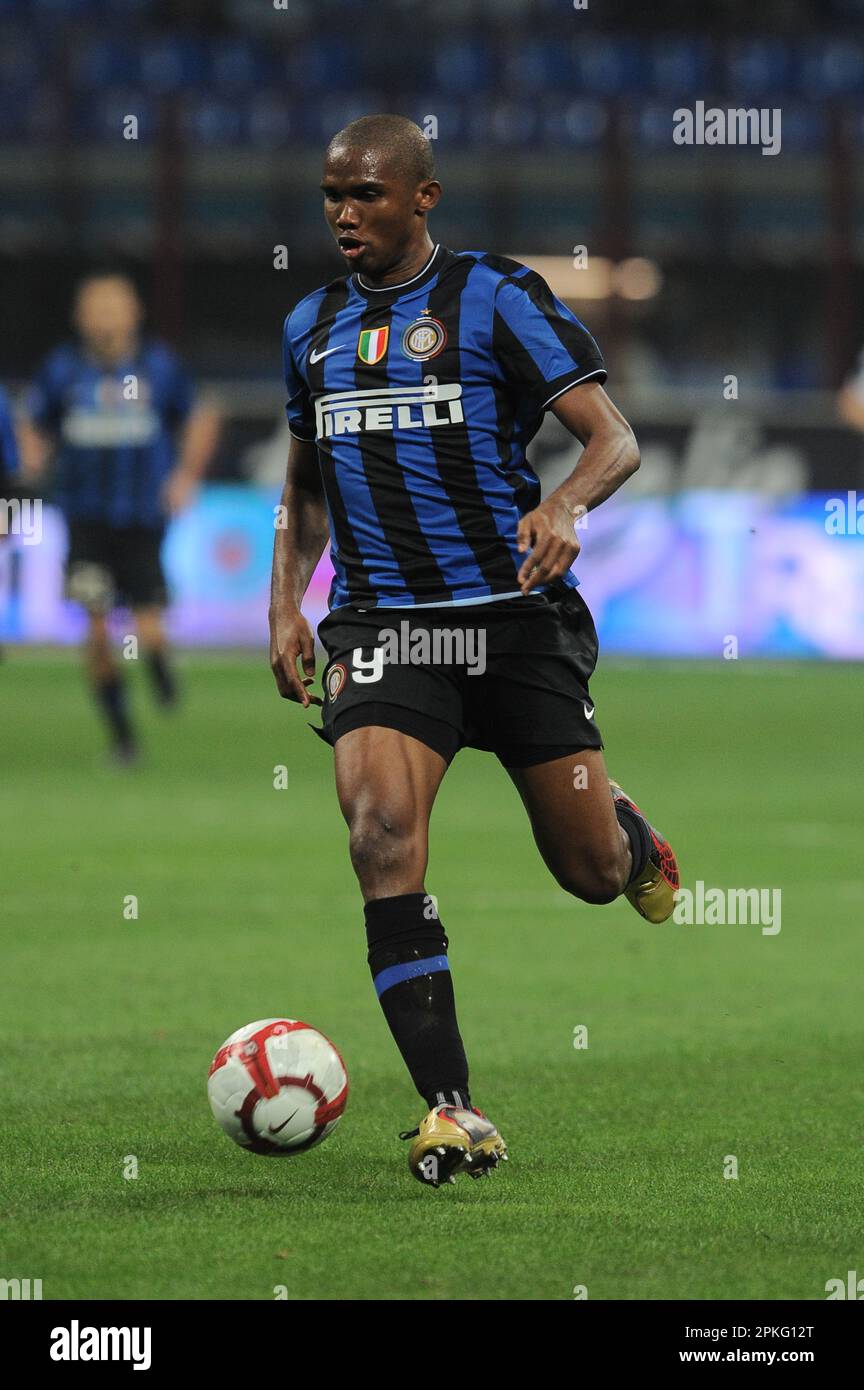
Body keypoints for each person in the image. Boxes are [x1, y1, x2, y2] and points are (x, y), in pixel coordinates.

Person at [269, 115, 679, 1188]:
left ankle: (628, 834)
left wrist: (565, 506)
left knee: (589, 873)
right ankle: (453, 1111)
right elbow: (306, 484)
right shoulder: (309, 327)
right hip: (386, 627)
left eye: (365, 195)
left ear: (423, 198)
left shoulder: (495, 298)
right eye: (330, 196)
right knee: (380, 834)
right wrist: (286, 606)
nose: (344, 214)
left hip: (509, 616)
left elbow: (613, 438)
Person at [20, 272, 220, 761]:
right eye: (96, 306)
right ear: (80, 317)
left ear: (135, 313)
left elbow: (200, 414)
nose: (105, 316)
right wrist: (31, 453)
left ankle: (158, 664)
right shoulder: (64, 370)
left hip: (142, 522)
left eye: (114, 305)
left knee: (148, 627)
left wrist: (186, 475)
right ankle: (123, 738)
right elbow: (31, 417)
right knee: (95, 635)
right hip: (86, 524)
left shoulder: (157, 367)